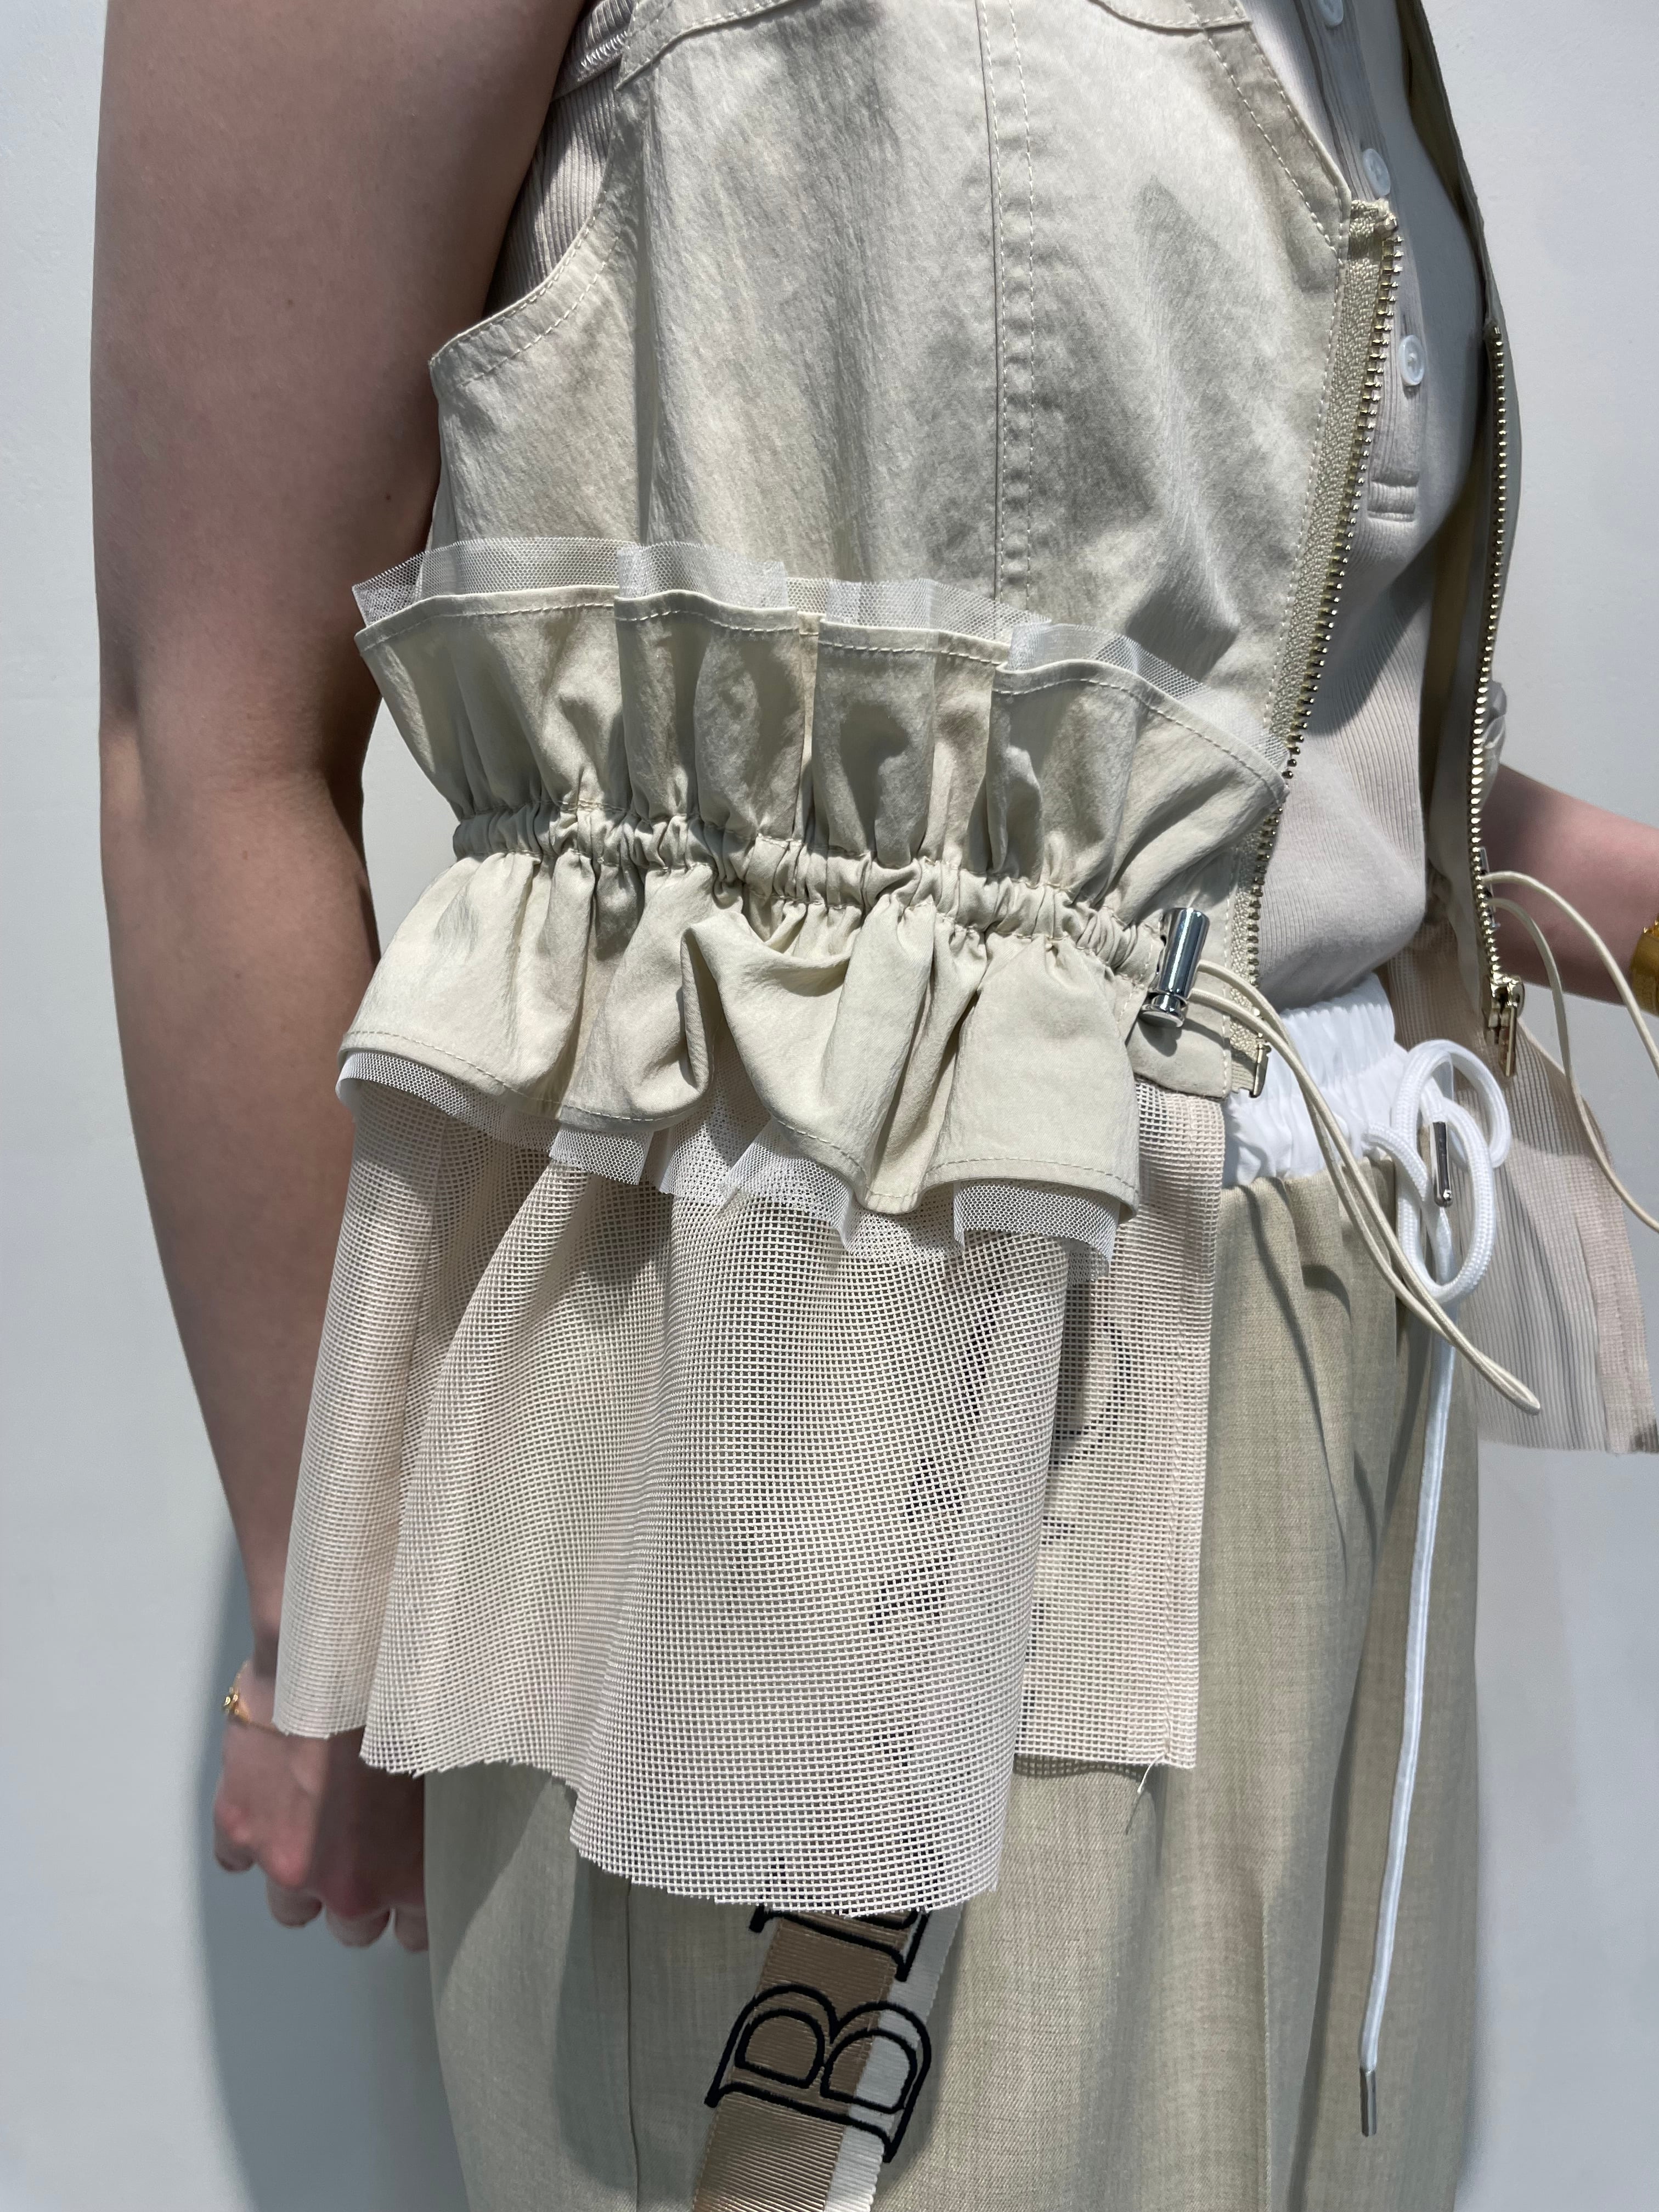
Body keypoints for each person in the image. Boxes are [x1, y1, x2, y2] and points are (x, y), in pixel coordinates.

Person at [94, 2, 1657, 2207]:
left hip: (1323, 1396)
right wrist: (313, 1609)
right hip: (823, 1476)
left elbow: (1213, 771)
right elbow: (211, 739)